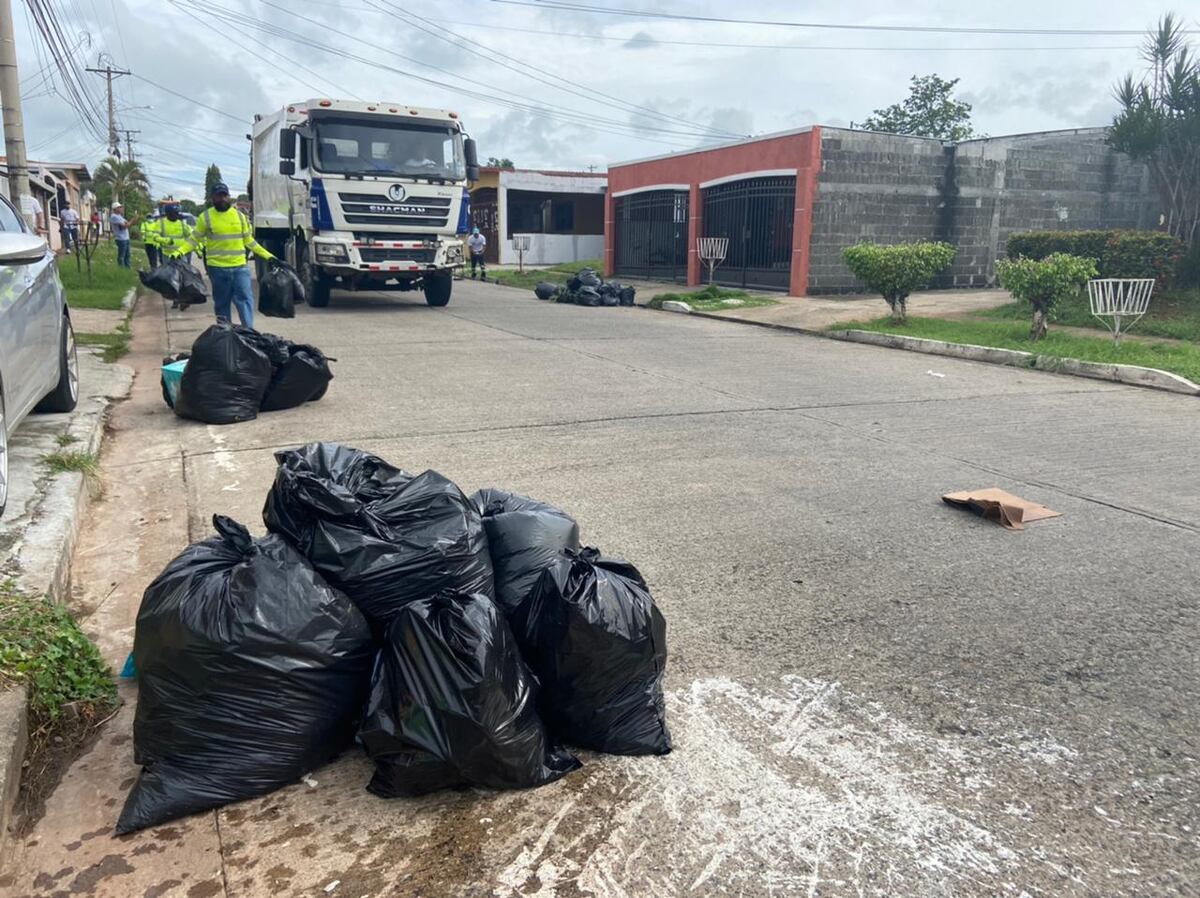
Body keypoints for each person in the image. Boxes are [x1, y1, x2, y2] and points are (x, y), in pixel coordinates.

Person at [168, 182, 275, 327]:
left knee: (245, 300)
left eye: (225, 196)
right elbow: (194, 240)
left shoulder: (240, 217)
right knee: (222, 304)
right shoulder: (205, 217)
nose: (222, 199)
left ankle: (249, 332)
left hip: (240, 268)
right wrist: (179, 252)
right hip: (217, 269)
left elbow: (249, 241)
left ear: (229, 197)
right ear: (212, 198)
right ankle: (225, 332)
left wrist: (269, 256)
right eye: (219, 196)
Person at [109, 204, 137, 268]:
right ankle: (121, 269)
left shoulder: (120, 216)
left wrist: (134, 220)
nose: (121, 208)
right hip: (121, 239)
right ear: (115, 209)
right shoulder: (114, 217)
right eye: (119, 207)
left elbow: (128, 224)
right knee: (122, 256)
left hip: (126, 238)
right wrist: (132, 220)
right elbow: (124, 226)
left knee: (127, 255)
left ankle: (127, 269)